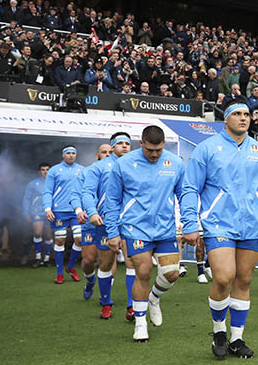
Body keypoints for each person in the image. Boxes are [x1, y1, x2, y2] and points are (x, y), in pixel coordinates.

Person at [181, 101, 258, 359]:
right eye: (237, 114)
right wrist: (190, 222)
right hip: (218, 223)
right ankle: (219, 331)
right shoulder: (206, 148)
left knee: (244, 280)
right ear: (225, 119)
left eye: (246, 114)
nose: (243, 118)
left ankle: (237, 339)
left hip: (250, 225)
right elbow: (190, 188)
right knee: (224, 276)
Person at [105, 126, 185, 342]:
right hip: (135, 227)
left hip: (165, 228)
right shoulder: (123, 164)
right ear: (141, 143)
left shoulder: (175, 163)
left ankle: (154, 298)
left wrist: (189, 222)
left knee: (172, 274)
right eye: (150, 150)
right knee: (143, 272)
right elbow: (112, 200)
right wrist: (113, 232)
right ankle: (140, 324)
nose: (154, 154)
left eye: (158, 150)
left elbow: (184, 194)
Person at [80, 133, 134, 320]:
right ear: (112, 147)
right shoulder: (99, 167)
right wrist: (92, 212)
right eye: (120, 143)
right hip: (105, 222)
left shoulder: (137, 165)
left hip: (131, 221)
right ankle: (106, 302)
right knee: (105, 264)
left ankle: (131, 306)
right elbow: (87, 192)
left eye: (128, 143)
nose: (125, 146)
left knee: (132, 263)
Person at [77, 143, 112, 312]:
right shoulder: (87, 171)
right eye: (103, 152)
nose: (107, 154)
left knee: (107, 258)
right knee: (89, 260)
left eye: (109, 152)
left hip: (107, 222)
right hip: (90, 222)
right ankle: (90, 280)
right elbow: (77, 193)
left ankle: (106, 296)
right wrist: (79, 210)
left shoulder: (119, 170)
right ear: (97, 155)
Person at [42, 146, 85, 284]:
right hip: (59, 210)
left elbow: (87, 190)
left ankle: (71, 267)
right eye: (68, 153)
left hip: (76, 210)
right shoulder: (54, 170)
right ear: (63, 155)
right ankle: (60, 273)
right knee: (60, 240)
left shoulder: (82, 170)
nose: (71, 155)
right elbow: (48, 191)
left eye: (73, 153)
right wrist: (48, 208)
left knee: (79, 239)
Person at [22, 162, 52, 268]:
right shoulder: (32, 183)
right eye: (43, 170)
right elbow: (26, 198)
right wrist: (26, 212)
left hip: (50, 212)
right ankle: (38, 257)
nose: (45, 172)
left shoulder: (54, 183)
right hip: (37, 211)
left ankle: (47, 259)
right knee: (38, 233)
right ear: (39, 172)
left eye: (47, 169)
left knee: (48, 235)